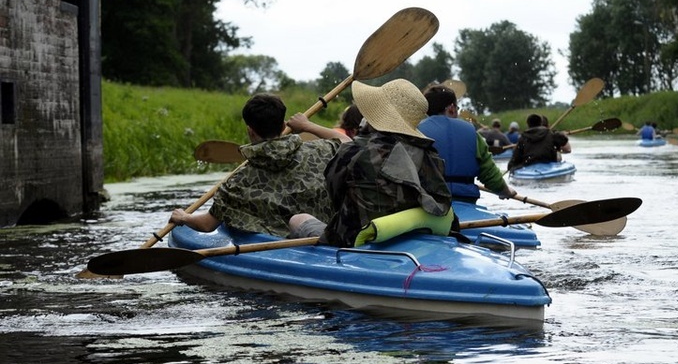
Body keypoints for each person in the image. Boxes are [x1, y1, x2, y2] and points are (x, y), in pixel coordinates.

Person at [289, 79, 454, 247]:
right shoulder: (430, 155)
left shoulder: (353, 151)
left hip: (353, 239)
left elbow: (335, 196)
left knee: (298, 219)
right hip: (408, 236)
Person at [169, 93, 350, 237]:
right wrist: (307, 125)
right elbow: (347, 142)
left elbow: (207, 225)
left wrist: (184, 217)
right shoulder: (320, 152)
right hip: (329, 235)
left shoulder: (238, 182)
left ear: (250, 131)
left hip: (282, 248)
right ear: (283, 124)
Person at [417, 84, 516, 203]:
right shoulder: (472, 132)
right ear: (452, 108)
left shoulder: (415, 132)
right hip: (466, 199)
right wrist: (505, 191)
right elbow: (489, 173)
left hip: (429, 202)